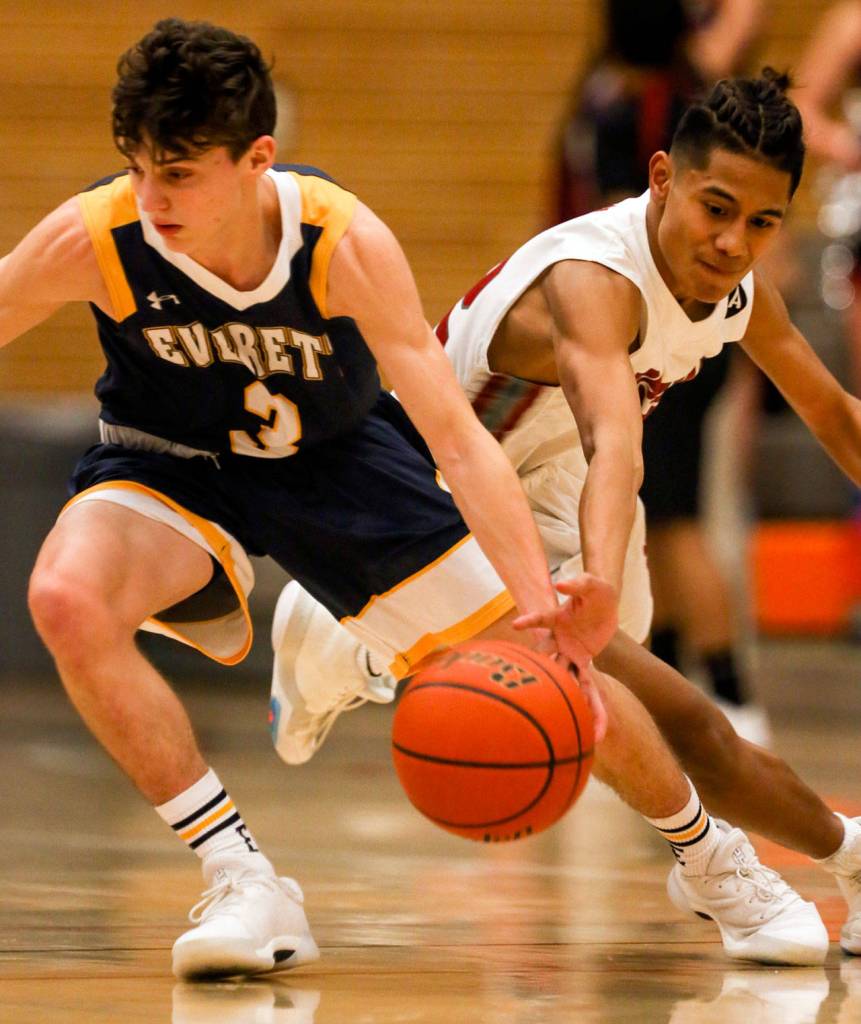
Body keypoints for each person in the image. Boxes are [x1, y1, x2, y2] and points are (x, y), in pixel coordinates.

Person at [0, 18, 818, 979]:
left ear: (255, 159)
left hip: (340, 465)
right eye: (134, 166)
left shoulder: (338, 240)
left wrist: (541, 601)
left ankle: (713, 861)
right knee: (65, 599)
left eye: (177, 172)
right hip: (170, 463)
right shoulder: (96, 236)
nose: (150, 195)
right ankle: (242, 877)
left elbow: (461, 443)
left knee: (550, 662)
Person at [276, 71, 861, 958]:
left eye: (762, 221)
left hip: (561, 478)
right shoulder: (594, 277)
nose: (733, 240)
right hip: (437, 480)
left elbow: (831, 412)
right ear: (660, 176)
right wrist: (590, 578)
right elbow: (614, 435)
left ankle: (368, 633)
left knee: (619, 714)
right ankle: (342, 634)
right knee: (663, 708)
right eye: (715, 208)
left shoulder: (740, 292)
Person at [552, 0, 769, 742]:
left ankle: (734, 703)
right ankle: (669, 688)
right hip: (625, 318)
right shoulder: (639, 96)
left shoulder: (627, 99)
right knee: (654, 516)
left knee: (671, 518)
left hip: (665, 323)